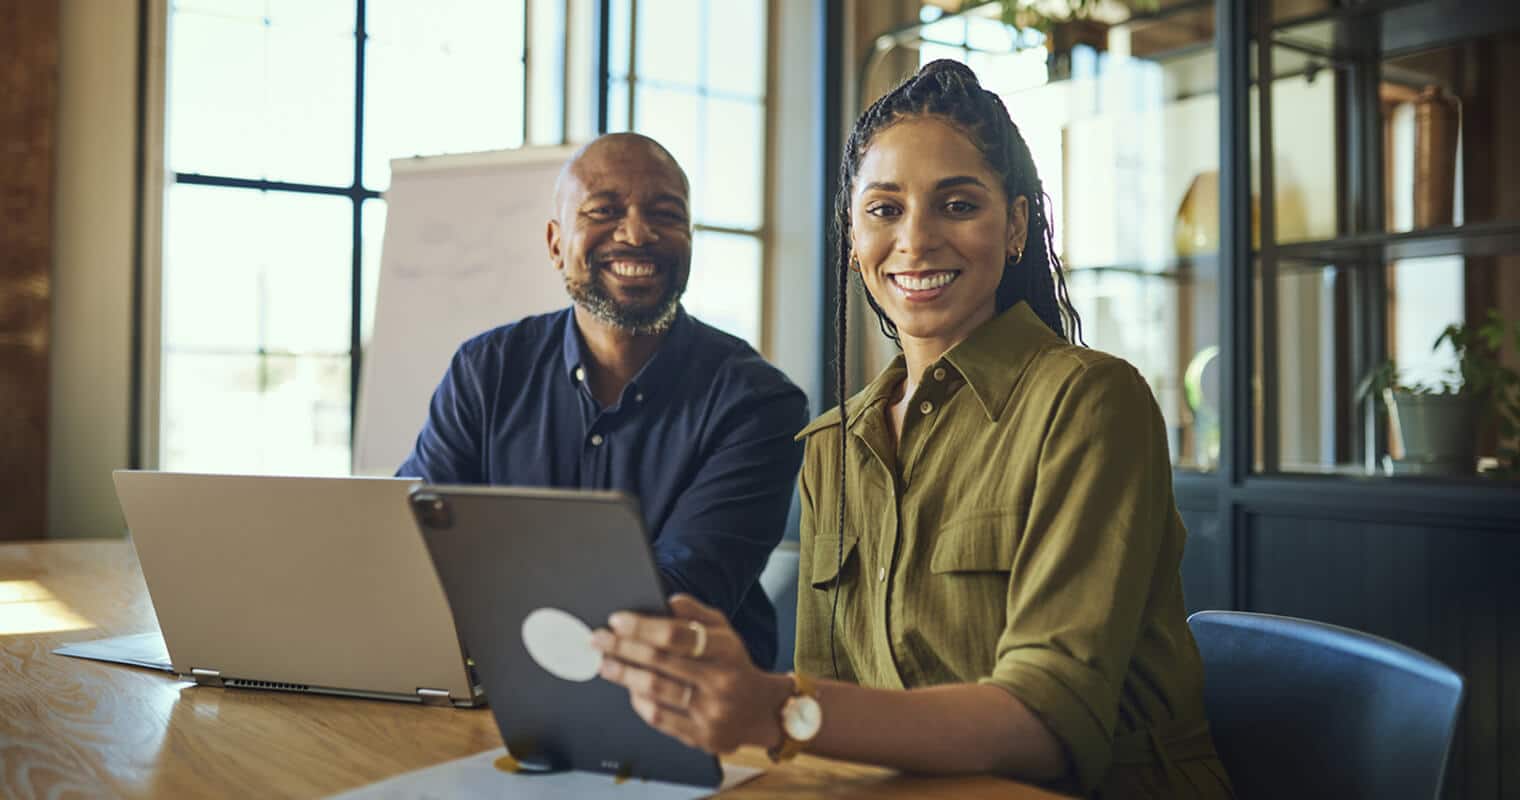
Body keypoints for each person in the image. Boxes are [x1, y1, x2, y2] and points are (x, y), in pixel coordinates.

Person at [591, 62, 1235, 798]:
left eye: (957, 205)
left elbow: (1048, 722)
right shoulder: (834, 443)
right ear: (854, 235)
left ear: (1016, 224)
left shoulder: (1091, 402)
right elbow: (830, 714)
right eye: (884, 209)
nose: (916, 240)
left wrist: (774, 706)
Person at [398, 133, 808, 670]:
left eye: (665, 213)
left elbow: (674, 605)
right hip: (492, 689)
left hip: (686, 709)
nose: (637, 234)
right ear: (554, 243)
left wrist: (488, 598)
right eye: (604, 210)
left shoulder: (758, 404)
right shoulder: (487, 370)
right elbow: (415, 541)